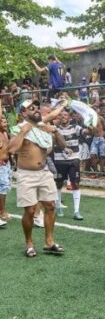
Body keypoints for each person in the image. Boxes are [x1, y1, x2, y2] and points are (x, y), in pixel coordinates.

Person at [8, 99, 67, 257]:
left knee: (50, 206)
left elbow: (62, 144)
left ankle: (49, 242)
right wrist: (23, 132)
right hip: (26, 174)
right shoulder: (18, 129)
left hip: (44, 172)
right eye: (31, 108)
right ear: (23, 113)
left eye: (36, 107)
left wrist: (55, 129)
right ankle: (29, 243)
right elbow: (12, 149)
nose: (36, 110)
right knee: (30, 211)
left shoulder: (43, 127)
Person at [53, 109, 90, 220]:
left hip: (74, 159)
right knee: (58, 184)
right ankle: (58, 206)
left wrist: (90, 125)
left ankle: (76, 211)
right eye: (61, 115)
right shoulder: (55, 129)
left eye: (65, 115)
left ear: (70, 117)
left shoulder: (76, 127)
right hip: (59, 160)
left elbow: (87, 132)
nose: (63, 117)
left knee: (75, 184)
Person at [0, 100, 10, 226]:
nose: (5, 123)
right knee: (2, 190)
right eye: (2, 121)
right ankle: (2, 212)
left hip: (6, 165)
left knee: (4, 189)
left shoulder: (6, 134)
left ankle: (2, 210)